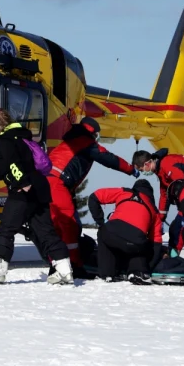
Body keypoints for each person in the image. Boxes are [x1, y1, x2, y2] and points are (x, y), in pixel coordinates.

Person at [0, 109, 73, 285]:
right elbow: (10, 167)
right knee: (45, 231)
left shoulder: (5, 139)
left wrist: (22, 182)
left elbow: (12, 164)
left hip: (24, 190)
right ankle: (65, 270)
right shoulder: (24, 136)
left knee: (7, 228)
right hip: (41, 188)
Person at [48, 116, 137, 278]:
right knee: (70, 225)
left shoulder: (70, 141)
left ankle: (57, 262)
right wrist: (131, 169)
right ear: (92, 133)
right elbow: (109, 158)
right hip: (57, 184)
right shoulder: (85, 142)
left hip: (49, 182)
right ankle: (74, 265)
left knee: (57, 226)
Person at [88, 178, 164, 284]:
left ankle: (107, 273)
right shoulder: (154, 210)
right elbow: (156, 243)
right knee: (142, 246)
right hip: (135, 241)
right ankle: (137, 271)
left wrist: (101, 222)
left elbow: (94, 197)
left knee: (103, 234)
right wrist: (150, 265)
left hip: (111, 233)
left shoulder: (124, 192)